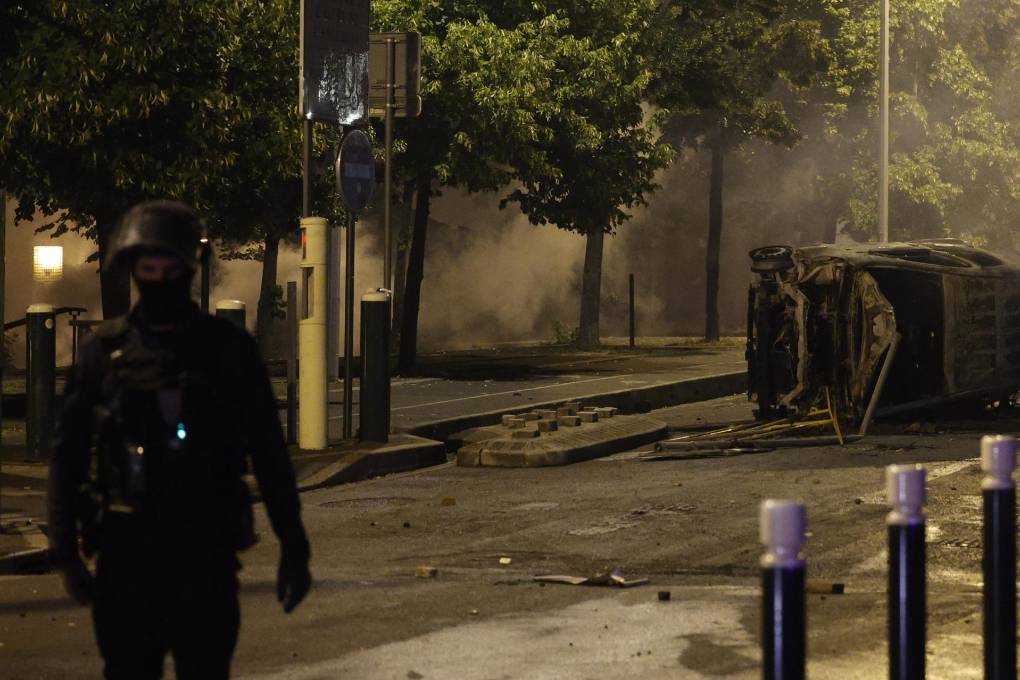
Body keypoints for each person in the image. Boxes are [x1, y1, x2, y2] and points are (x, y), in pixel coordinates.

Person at [47, 200, 311, 679]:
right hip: (127, 554)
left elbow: (269, 455)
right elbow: (67, 456)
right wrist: (65, 552)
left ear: (190, 266)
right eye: (149, 267)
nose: (160, 277)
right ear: (132, 268)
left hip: (205, 551)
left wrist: (294, 549)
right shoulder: (102, 352)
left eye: (171, 266)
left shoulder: (228, 351)